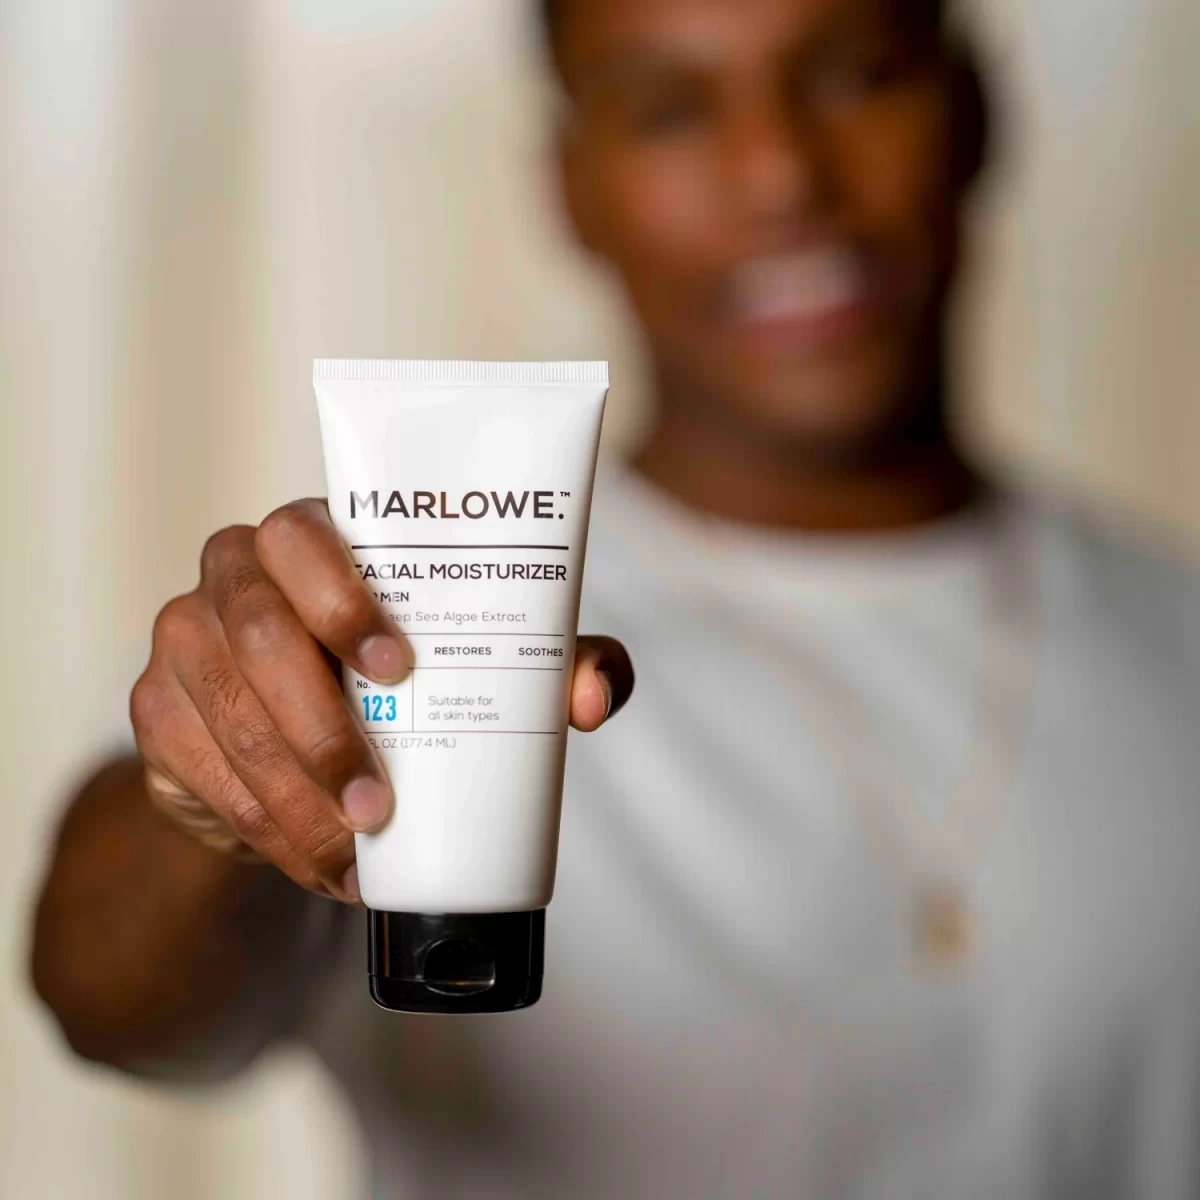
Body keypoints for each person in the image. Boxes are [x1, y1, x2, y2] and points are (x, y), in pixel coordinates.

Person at [30, 0, 1200, 1195]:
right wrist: (205, 814)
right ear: (568, 187)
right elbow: (112, 1002)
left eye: (855, 77)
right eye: (671, 110)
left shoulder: (1180, 638)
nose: (782, 175)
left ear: (976, 112)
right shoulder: (411, 638)